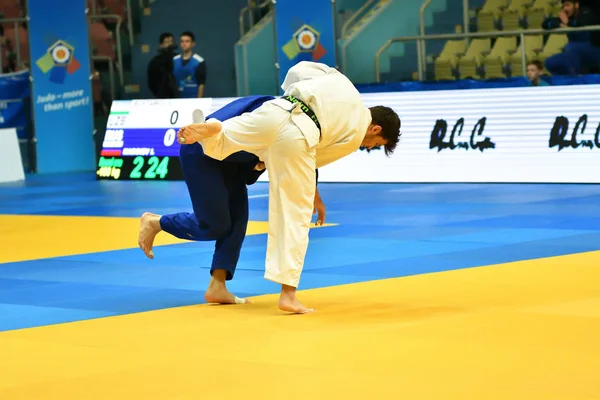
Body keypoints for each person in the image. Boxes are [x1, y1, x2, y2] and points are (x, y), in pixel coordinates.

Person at [177, 61, 402, 314]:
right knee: (294, 216)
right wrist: (281, 169)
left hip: (277, 108)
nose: (367, 146)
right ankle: (288, 296)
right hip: (299, 134)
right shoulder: (354, 132)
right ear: (375, 128)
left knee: (221, 144)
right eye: (374, 142)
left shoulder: (342, 82)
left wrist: (289, 95)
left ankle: (215, 128)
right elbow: (311, 158)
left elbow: (299, 70)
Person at [138, 95, 327, 305]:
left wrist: (312, 194)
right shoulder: (273, 113)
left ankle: (217, 286)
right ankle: (156, 222)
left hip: (232, 163)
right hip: (202, 152)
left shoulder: (290, 121)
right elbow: (227, 126)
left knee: (237, 221)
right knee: (214, 226)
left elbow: (304, 160)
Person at [543, 0, 600, 75]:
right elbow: (545, 23)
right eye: (563, 7)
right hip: (574, 54)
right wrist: (560, 24)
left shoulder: (586, 13)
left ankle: (576, 79)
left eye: (567, 5)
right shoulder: (567, 18)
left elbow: (580, 23)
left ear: (576, 5)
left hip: (595, 51)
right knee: (549, 62)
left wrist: (567, 23)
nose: (565, 9)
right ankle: (564, 80)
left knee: (571, 47)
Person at [173, 31, 207, 98]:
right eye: (182, 41)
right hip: (176, 99)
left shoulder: (199, 61)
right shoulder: (174, 60)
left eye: (187, 41)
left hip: (193, 98)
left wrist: (198, 101)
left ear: (193, 44)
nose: (184, 44)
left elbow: (201, 84)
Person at [147, 32, 178, 99]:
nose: (170, 44)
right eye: (167, 42)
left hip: (178, 96)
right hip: (162, 96)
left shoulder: (178, 58)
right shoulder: (155, 61)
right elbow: (151, 82)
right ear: (161, 45)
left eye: (171, 41)